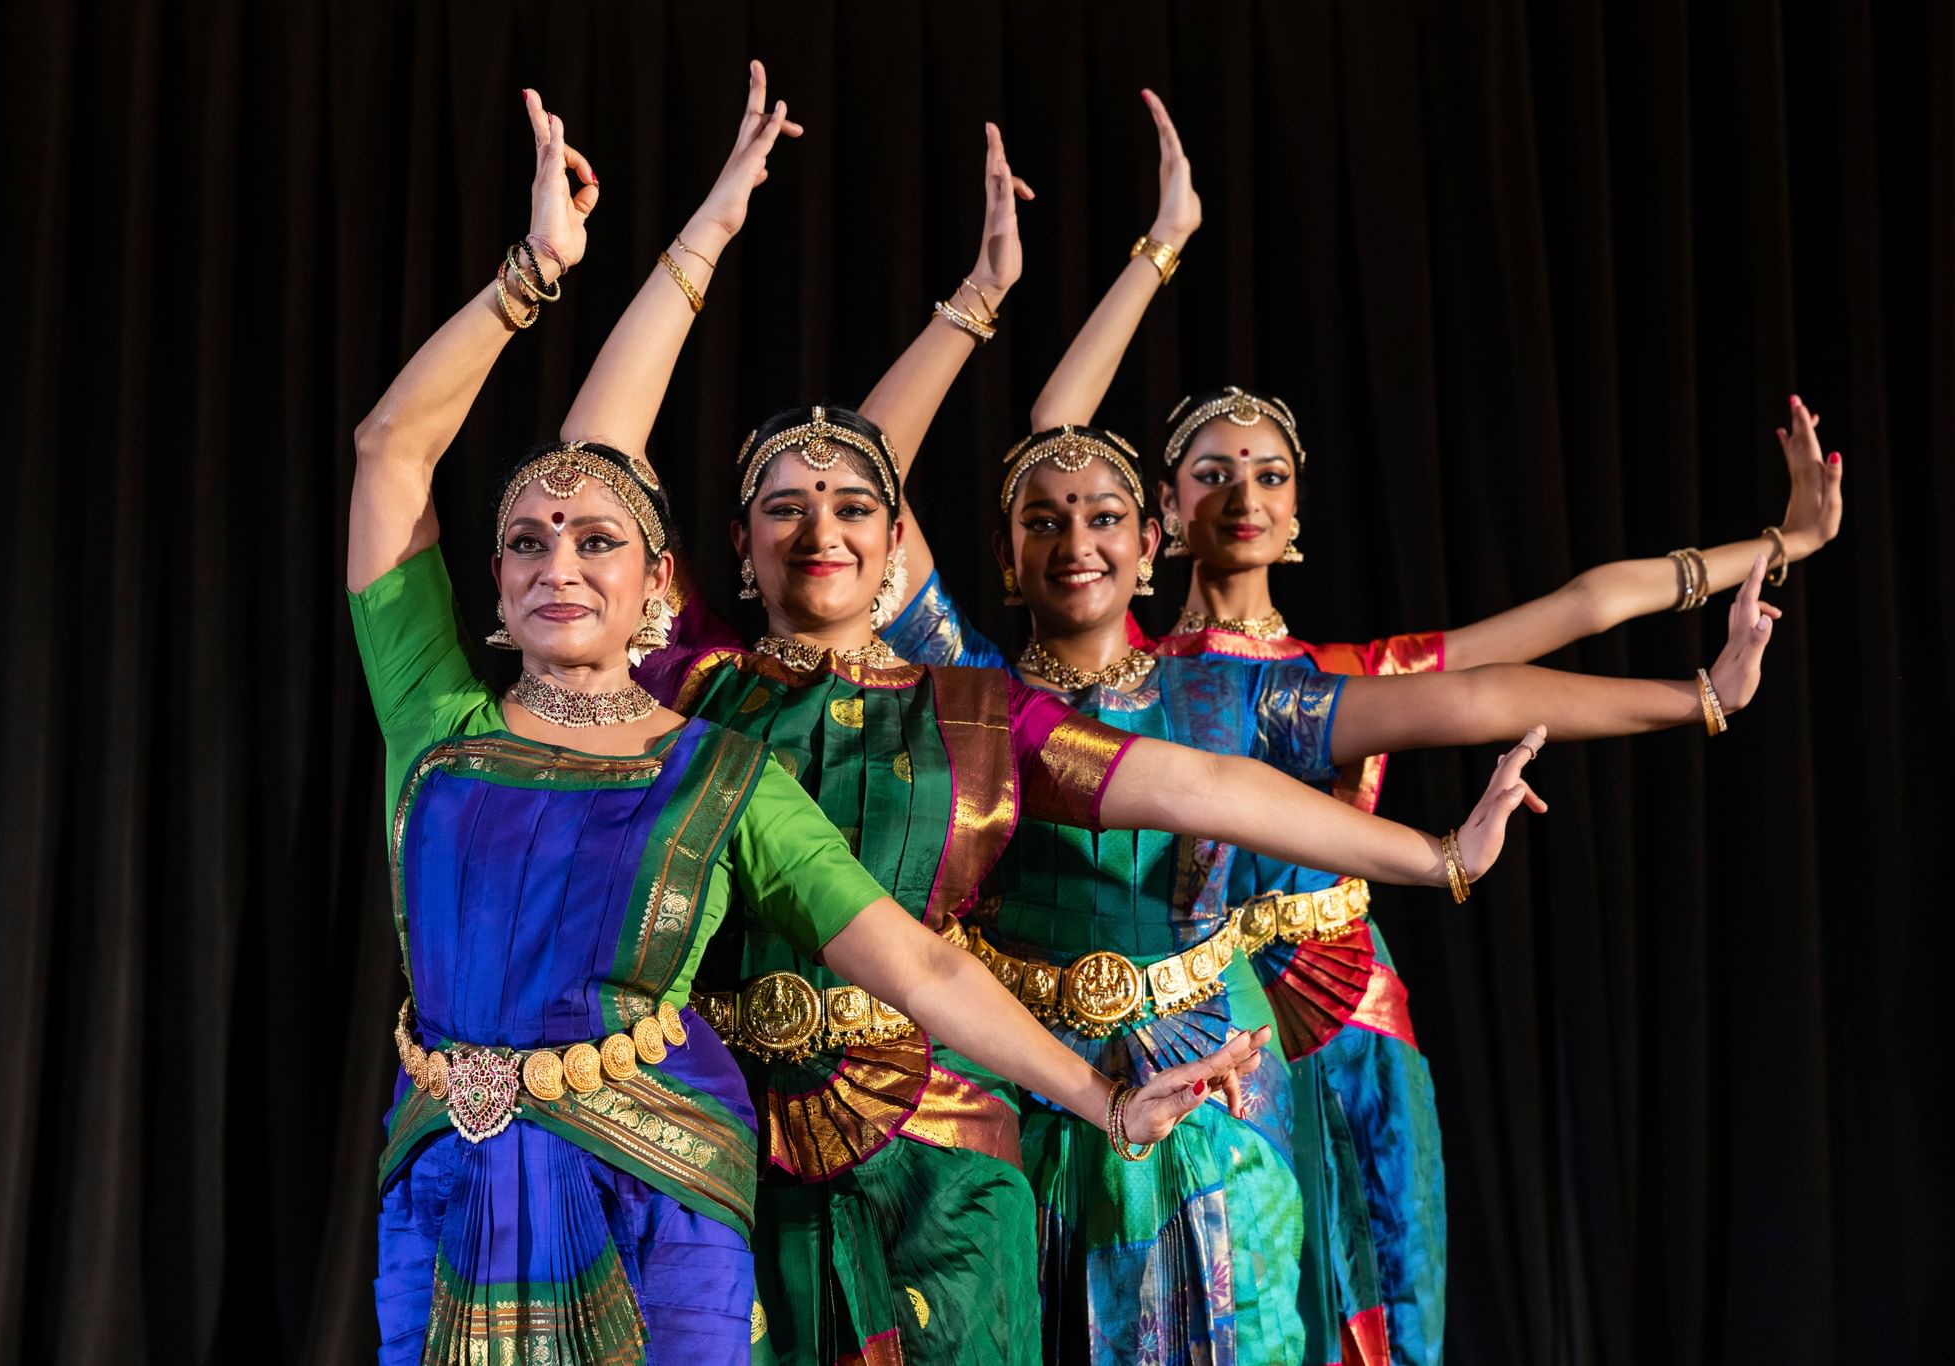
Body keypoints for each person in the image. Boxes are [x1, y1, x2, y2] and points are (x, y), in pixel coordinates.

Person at [555, 67, 1553, 1366]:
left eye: (859, 504)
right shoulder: (692, 683)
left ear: (894, 536)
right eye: (786, 505)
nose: (825, 525)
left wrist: (1436, 857)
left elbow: (1192, 787)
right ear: (736, 553)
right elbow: (593, 476)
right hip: (730, 1136)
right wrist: (705, 241)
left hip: (943, 1148)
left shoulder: (975, 707)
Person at [348, 82, 1272, 1366]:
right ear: (494, 590)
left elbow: (922, 965)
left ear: (660, 585)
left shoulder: (715, 766)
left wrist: (1104, 1101)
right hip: (445, 1190)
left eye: (598, 537)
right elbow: (393, 447)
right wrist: (531, 276)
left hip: (661, 1193)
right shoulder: (433, 723)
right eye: (524, 540)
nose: (559, 558)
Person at [919, 86, 1830, 1366]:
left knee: (1362, 1294)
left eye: (1271, 475)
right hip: (1126, 1011)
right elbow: (1054, 451)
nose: (1244, 495)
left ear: (1298, 516)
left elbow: (1551, 629)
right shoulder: (1074, 670)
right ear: (1158, 519)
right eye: (1209, 474)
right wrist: (1157, 248)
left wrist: (1771, 565)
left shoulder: (1320, 678)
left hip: (1328, 993)